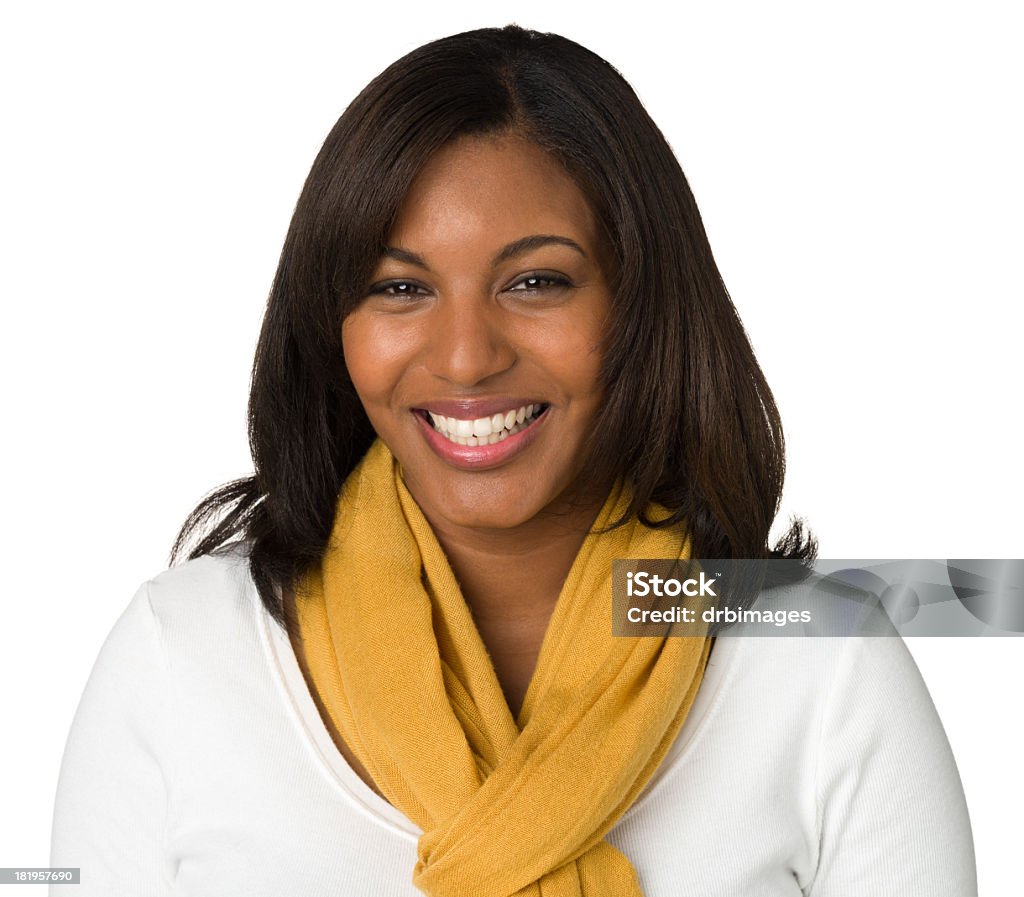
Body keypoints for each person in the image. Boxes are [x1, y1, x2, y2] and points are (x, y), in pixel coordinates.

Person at [48, 25, 977, 897]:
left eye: (536, 282)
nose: (464, 357)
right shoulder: (179, 657)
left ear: (642, 307)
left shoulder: (824, 662)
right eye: (399, 287)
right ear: (334, 326)